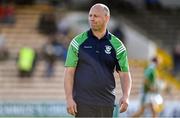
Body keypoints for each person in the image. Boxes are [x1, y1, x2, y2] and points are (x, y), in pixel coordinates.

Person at [64, 3, 132, 117]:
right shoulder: (77, 42)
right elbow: (69, 72)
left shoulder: (118, 45)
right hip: (82, 103)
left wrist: (126, 96)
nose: (92, 18)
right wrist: (69, 98)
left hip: (106, 103)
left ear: (107, 18)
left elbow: (125, 74)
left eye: (96, 16)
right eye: (90, 15)